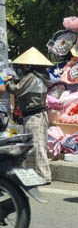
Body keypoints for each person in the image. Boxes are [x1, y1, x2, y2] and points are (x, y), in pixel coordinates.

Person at [4, 47, 53, 183]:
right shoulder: (41, 76)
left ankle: (43, 176)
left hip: (34, 115)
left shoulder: (32, 76)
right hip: (38, 114)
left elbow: (17, 90)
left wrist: (7, 81)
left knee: (36, 146)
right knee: (35, 145)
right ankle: (36, 175)